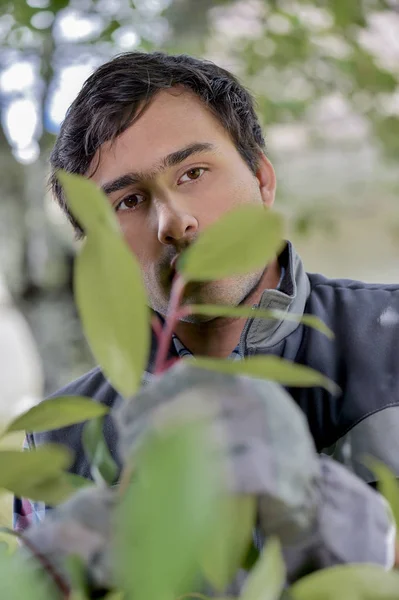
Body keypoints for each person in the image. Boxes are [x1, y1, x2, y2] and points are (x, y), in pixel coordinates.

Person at [13, 52, 399, 569]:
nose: (174, 221)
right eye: (128, 201)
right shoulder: (58, 445)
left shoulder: (391, 339)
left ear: (262, 177)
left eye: (193, 172)